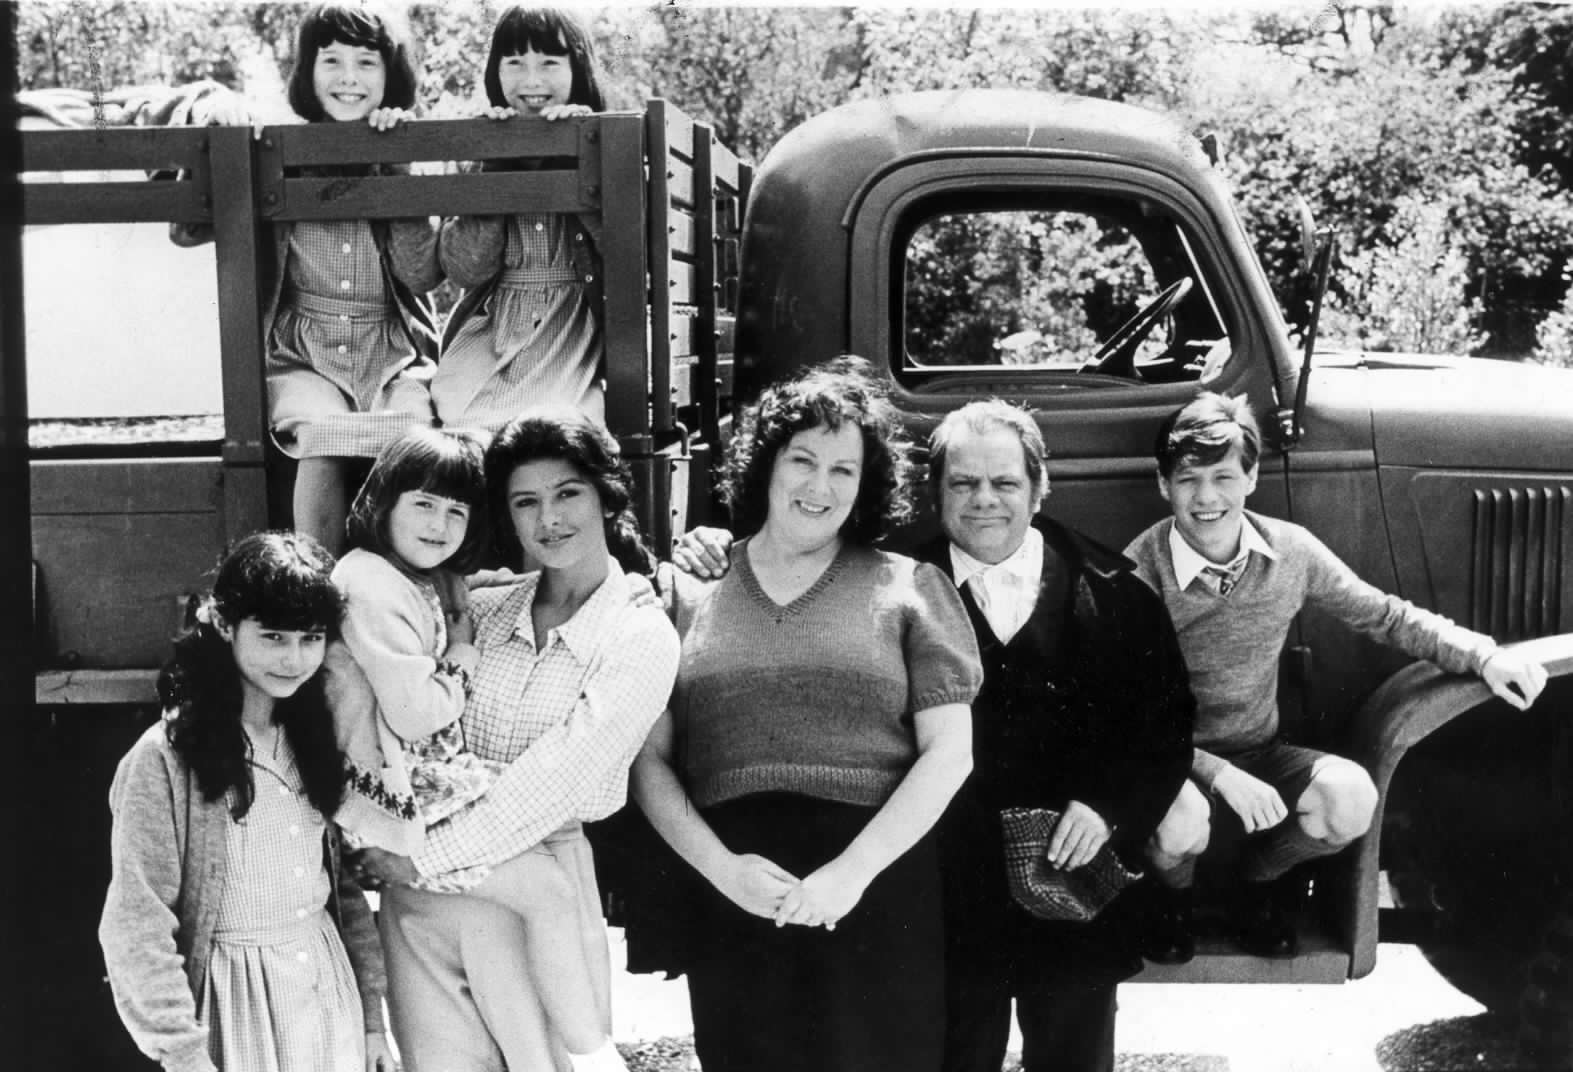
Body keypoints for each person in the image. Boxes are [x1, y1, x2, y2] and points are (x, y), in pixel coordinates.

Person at [671, 397, 1194, 1072]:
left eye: (1004, 482)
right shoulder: (894, 582)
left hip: (1071, 875)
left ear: (1040, 486)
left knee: (1073, 1052)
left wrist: (1108, 808)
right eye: (962, 483)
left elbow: (1163, 725)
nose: (984, 501)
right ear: (935, 490)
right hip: (947, 885)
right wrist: (708, 545)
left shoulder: (1113, 590)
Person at [633, 358, 984, 1072]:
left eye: (843, 470)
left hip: (877, 892)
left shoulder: (911, 587)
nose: (819, 487)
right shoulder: (688, 593)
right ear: (765, 464)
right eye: (802, 460)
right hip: (736, 889)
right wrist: (723, 872)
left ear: (866, 486)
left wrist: (848, 875)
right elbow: (648, 764)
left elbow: (949, 754)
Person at [1125, 391, 1550, 960]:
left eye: (1224, 476)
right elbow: (1118, 710)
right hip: (1171, 762)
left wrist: (1482, 654)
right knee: (1179, 824)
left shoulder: (1289, 551)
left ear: (1251, 478)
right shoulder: (1140, 568)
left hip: (1260, 752)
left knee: (1349, 800)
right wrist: (1219, 774)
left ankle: (1255, 886)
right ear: (1163, 485)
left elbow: (1385, 614)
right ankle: (1170, 902)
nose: (1206, 497)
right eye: (1187, 479)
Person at [352, 408, 679, 1072]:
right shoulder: (484, 605)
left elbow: (551, 786)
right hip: (423, 911)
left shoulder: (638, 636)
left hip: (533, 896)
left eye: (567, 494)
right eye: (524, 502)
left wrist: (416, 858)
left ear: (606, 495)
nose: (547, 519)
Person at [132, 4, 443, 554]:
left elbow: (419, 275)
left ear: (390, 76)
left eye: (367, 62)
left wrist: (399, 169)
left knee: (413, 434)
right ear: (307, 71)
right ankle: (315, 578)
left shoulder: (394, 151)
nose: (349, 77)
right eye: (332, 60)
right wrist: (219, 117)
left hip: (388, 350)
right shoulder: (279, 150)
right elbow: (186, 228)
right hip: (306, 351)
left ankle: (399, 583)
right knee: (321, 431)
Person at [99, 531, 392, 1072]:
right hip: (233, 1005)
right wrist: (183, 1054)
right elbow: (137, 922)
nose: (293, 657)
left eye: (310, 638)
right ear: (225, 625)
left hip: (326, 992)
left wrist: (373, 1021)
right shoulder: (164, 758)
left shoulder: (315, 737)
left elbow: (343, 893)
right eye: (273, 636)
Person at [435, 7, 609, 432]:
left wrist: (580, 159)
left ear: (579, 68)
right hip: (497, 330)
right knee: (463, 420)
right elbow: (466, 269)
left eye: (550, 63)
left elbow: (625, 252)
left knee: (551, 425)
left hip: (569, 332)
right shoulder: (480, 147)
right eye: (514, 63)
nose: (532, 80)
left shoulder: (605, 141)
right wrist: (495, 165)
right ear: (495, 72)